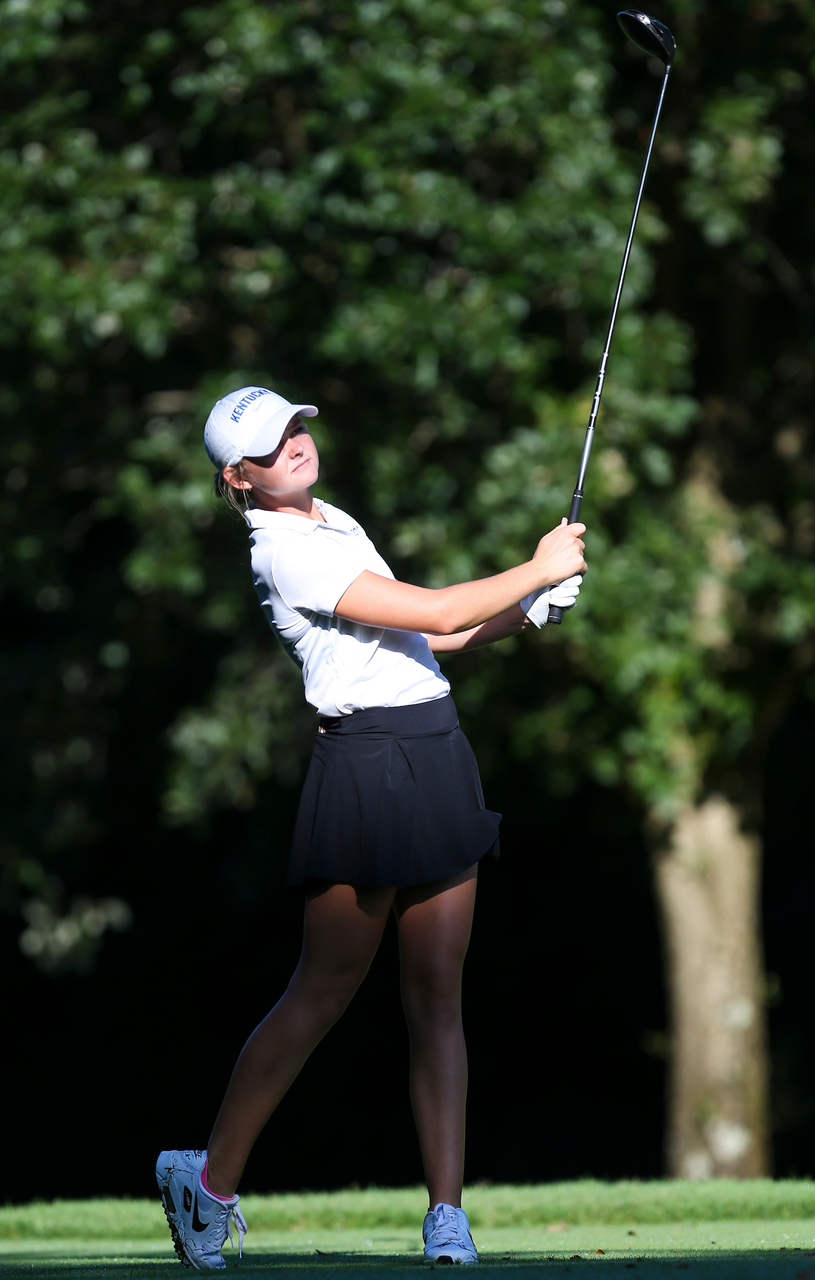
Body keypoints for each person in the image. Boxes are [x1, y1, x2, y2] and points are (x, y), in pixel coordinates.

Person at [156, 387, 587, 1270]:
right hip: (363, 766)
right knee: (323, 989)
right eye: (273, 447)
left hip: (434, 750)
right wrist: (536, 566)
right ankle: (207, 1185)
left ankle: (446, 1217)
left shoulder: (333, 520)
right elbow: (432, 610)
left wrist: (527, 611)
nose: (296, 445)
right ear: (239, 479)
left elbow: (435, 643)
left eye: (296, 427)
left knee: (436, 995)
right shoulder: (281, 553)